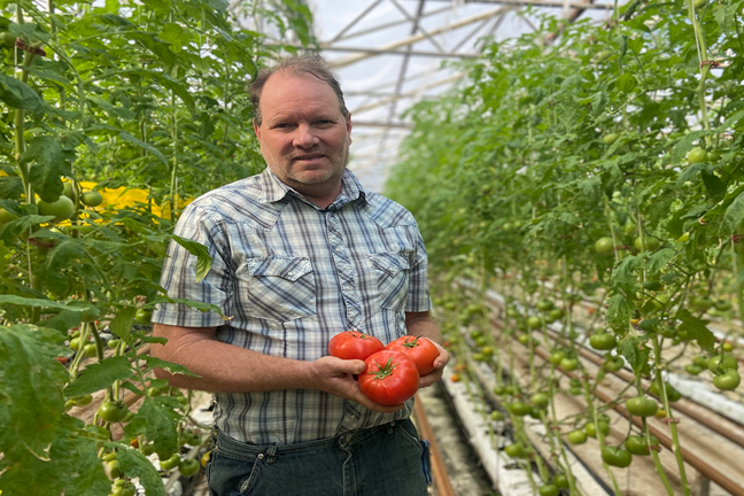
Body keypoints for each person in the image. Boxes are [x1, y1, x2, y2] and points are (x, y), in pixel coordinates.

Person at [150, 54, 449, 496]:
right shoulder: (215, 219)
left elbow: (417, 319)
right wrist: (304, 373)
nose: (304, 139)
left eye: (321, 122)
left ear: (348, 125)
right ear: (259, 133)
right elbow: (172, 354)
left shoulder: (396, 220)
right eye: (284, 125)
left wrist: (429, 352)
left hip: (392, 453)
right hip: (275, 468)